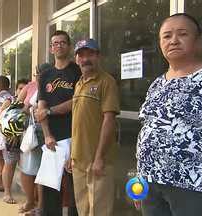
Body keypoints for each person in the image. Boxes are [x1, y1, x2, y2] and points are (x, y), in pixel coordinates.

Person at [136, 13, 202, 216]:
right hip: (151, 181)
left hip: (194, 184)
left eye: (182, 34)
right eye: (166, 36)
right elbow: (148, 130)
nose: (173, 40)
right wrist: (140, 178)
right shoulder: (157, 83)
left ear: (198, 42)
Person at [71, 39, 120, 216]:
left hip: (99, 160)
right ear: (76, 59)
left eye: (90, 54)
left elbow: (109, 121)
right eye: (81, 55)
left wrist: (99, 157)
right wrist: (72, 154)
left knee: (99, 211)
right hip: (79, 159)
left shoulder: (106, 82)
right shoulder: (79, 83)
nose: (85, 59)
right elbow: (78, 121)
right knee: (83, 208)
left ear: (98, 56)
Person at [36, 30, 81, 216]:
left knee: (75, 188)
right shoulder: (45, 75)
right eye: (55, 43)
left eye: (63, 42)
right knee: (50, 188)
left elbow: (77, 101)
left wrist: (50, 111)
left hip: (75, 136)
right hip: (52, 139)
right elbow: (41, 109)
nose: (59, 45)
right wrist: (47, 134)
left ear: (69, 46)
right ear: (50, 48)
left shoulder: (77, 72)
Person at [18, 63, 51, 215]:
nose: (37, 76)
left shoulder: (51, 87)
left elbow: (45, 110)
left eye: (40, 73)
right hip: (31, 132)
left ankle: (41, 207)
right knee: (27, 169)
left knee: (42, 172)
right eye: (37, 73)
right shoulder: (33, 86)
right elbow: (22, 106)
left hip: (46, 133)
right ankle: (31, 201)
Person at [0, 79, 28, 204]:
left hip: (28, 138)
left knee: (27, 167)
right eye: (20, 88)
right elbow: (1, 119)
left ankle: (29, 195)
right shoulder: (10, 102)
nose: (23, 91)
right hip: (12, 138)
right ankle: (7, 192)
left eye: (25, 88)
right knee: (10, 164)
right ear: (16, 90)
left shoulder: (31, 102)